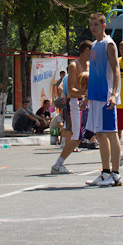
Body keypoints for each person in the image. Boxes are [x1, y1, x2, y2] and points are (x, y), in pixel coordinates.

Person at [84, 13, 123, 188]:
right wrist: (87, 95)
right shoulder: (94, 45)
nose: (93, 27)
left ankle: (115, 175)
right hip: (95, 95)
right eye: (91, 25)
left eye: (96, 25)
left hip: (106, 95)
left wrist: (114, 94)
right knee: (99, 134)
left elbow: (116, 70)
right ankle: (105, 172)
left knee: (111, 132)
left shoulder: (109, 44)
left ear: (104, 25)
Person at [51, 40, 91, 175]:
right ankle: (58, 163)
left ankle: (111, 160)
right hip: (75, 102)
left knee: (99, 131)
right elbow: (71, 90)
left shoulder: (89, 65)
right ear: (86, 50)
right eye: (92, 51)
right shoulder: (74, 66)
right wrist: (85, 94)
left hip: (86, 102)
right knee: (77, 136)